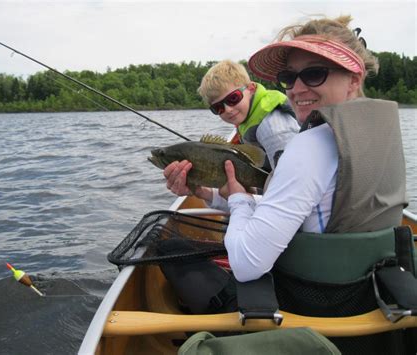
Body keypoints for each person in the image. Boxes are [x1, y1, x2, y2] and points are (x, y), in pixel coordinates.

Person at [164, 14, 407, 284]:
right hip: (368, 289)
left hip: (313, 297)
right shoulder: (369, 134)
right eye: (288, 77)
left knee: (170, 250)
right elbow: (296, 206)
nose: (297, 89)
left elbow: (245, 266)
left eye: (315, 73)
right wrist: (210, 194)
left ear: (353, 78)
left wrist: (239, 201)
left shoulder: (311, 145)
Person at [168, 60, 300, 204]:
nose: (228, 109)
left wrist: (241, 200)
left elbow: (293, 192)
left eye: (233, 98)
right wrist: (202, 192)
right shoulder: (248, 119)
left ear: (251, 88)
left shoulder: (273, 129)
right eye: (218, 108)